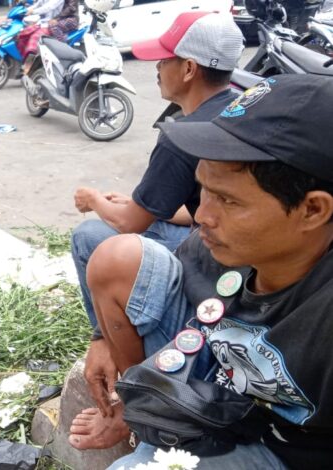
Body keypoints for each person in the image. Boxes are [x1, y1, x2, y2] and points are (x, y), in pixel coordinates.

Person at [69, 73, 333, 469]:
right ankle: (144, 415)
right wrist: (102, 338)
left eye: (227, 199)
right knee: (113, 256)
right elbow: (192, 318)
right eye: (204, 188)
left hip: (281, 446)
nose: (203, 215)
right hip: (222, 384)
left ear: (312, 209)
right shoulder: (223, 245)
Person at [71, 12, 244, 334]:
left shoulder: (183, 137)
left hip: (214, 264)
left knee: (89, 236)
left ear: (189, 68)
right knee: (153, 220)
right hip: (238, 251)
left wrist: (94, 199)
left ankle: (109, 339)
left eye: (165, 60)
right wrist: (140, 204)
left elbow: (129, 224)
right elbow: (202, 207)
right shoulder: (241, 106)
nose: (157, 68)